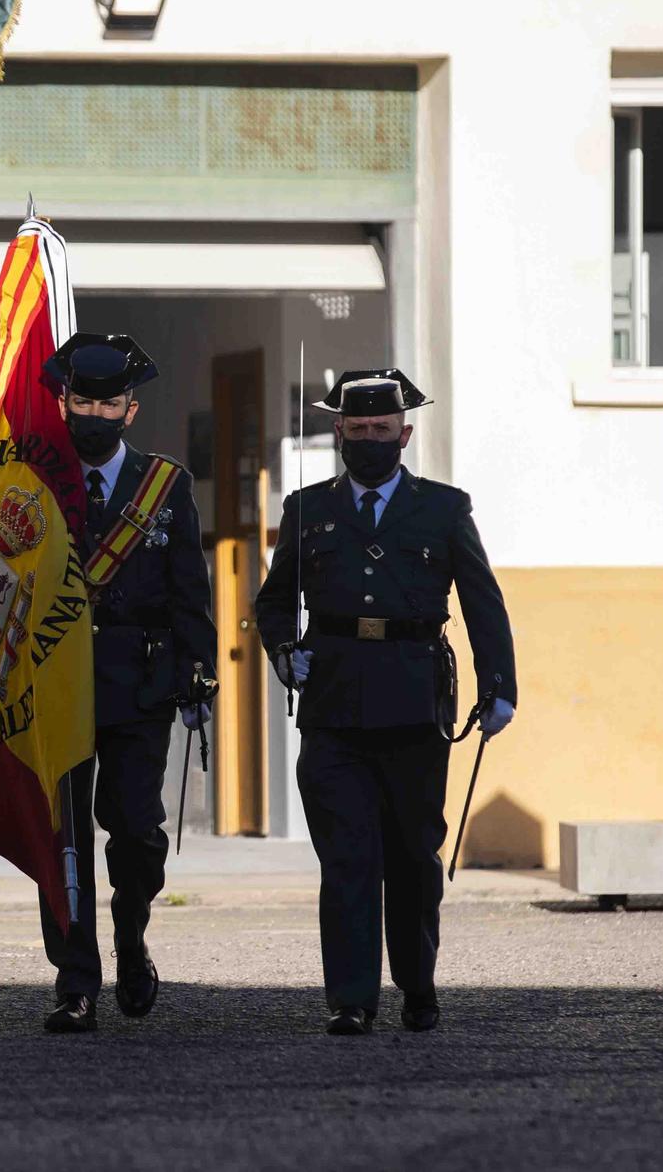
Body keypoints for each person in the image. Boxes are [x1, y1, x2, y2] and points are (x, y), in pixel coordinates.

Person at [254, 369, 517, 1036]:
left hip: (414, 702)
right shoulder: (307, 508)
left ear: (404, 434)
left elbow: (483, 603)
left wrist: (499, 685)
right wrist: (284, 649)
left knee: (410, 857)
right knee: (347, 856)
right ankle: (350, 997)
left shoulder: (444, 508)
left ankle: (416, 981)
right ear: (338, 432)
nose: (369, 440)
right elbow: (275, 599)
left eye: (381, 430)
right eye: (357, 429)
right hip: (334, 702)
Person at [38, 332, 217, 1035]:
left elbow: (189, 591)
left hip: (140, 682)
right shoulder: (35, 482)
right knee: (66, 841)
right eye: (82, 400)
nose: (95, 413)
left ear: (130, 410)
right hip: (56, 684)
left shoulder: (165, 484)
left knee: (137, 831)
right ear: (64, 401)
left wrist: (198, 675)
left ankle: (131, 934)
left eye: (108, 402)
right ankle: (75, 980)